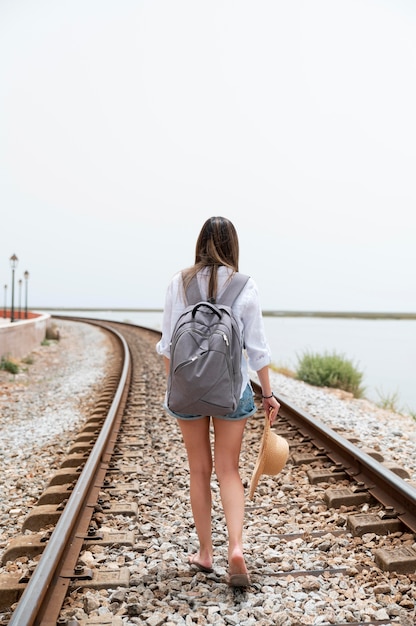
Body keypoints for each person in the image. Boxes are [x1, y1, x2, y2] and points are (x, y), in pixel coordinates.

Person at [156, 216, 280, 587]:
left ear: (200, 243)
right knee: (229, 470)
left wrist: (179, 386)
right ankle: (236, 548)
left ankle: (206, 553)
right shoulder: (245, 285)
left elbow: (166, 345)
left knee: (199, 470)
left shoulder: (179, 282)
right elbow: (257, 349)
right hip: (232, 392)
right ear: (232, 246)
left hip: (187, 392)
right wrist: (269, 394)